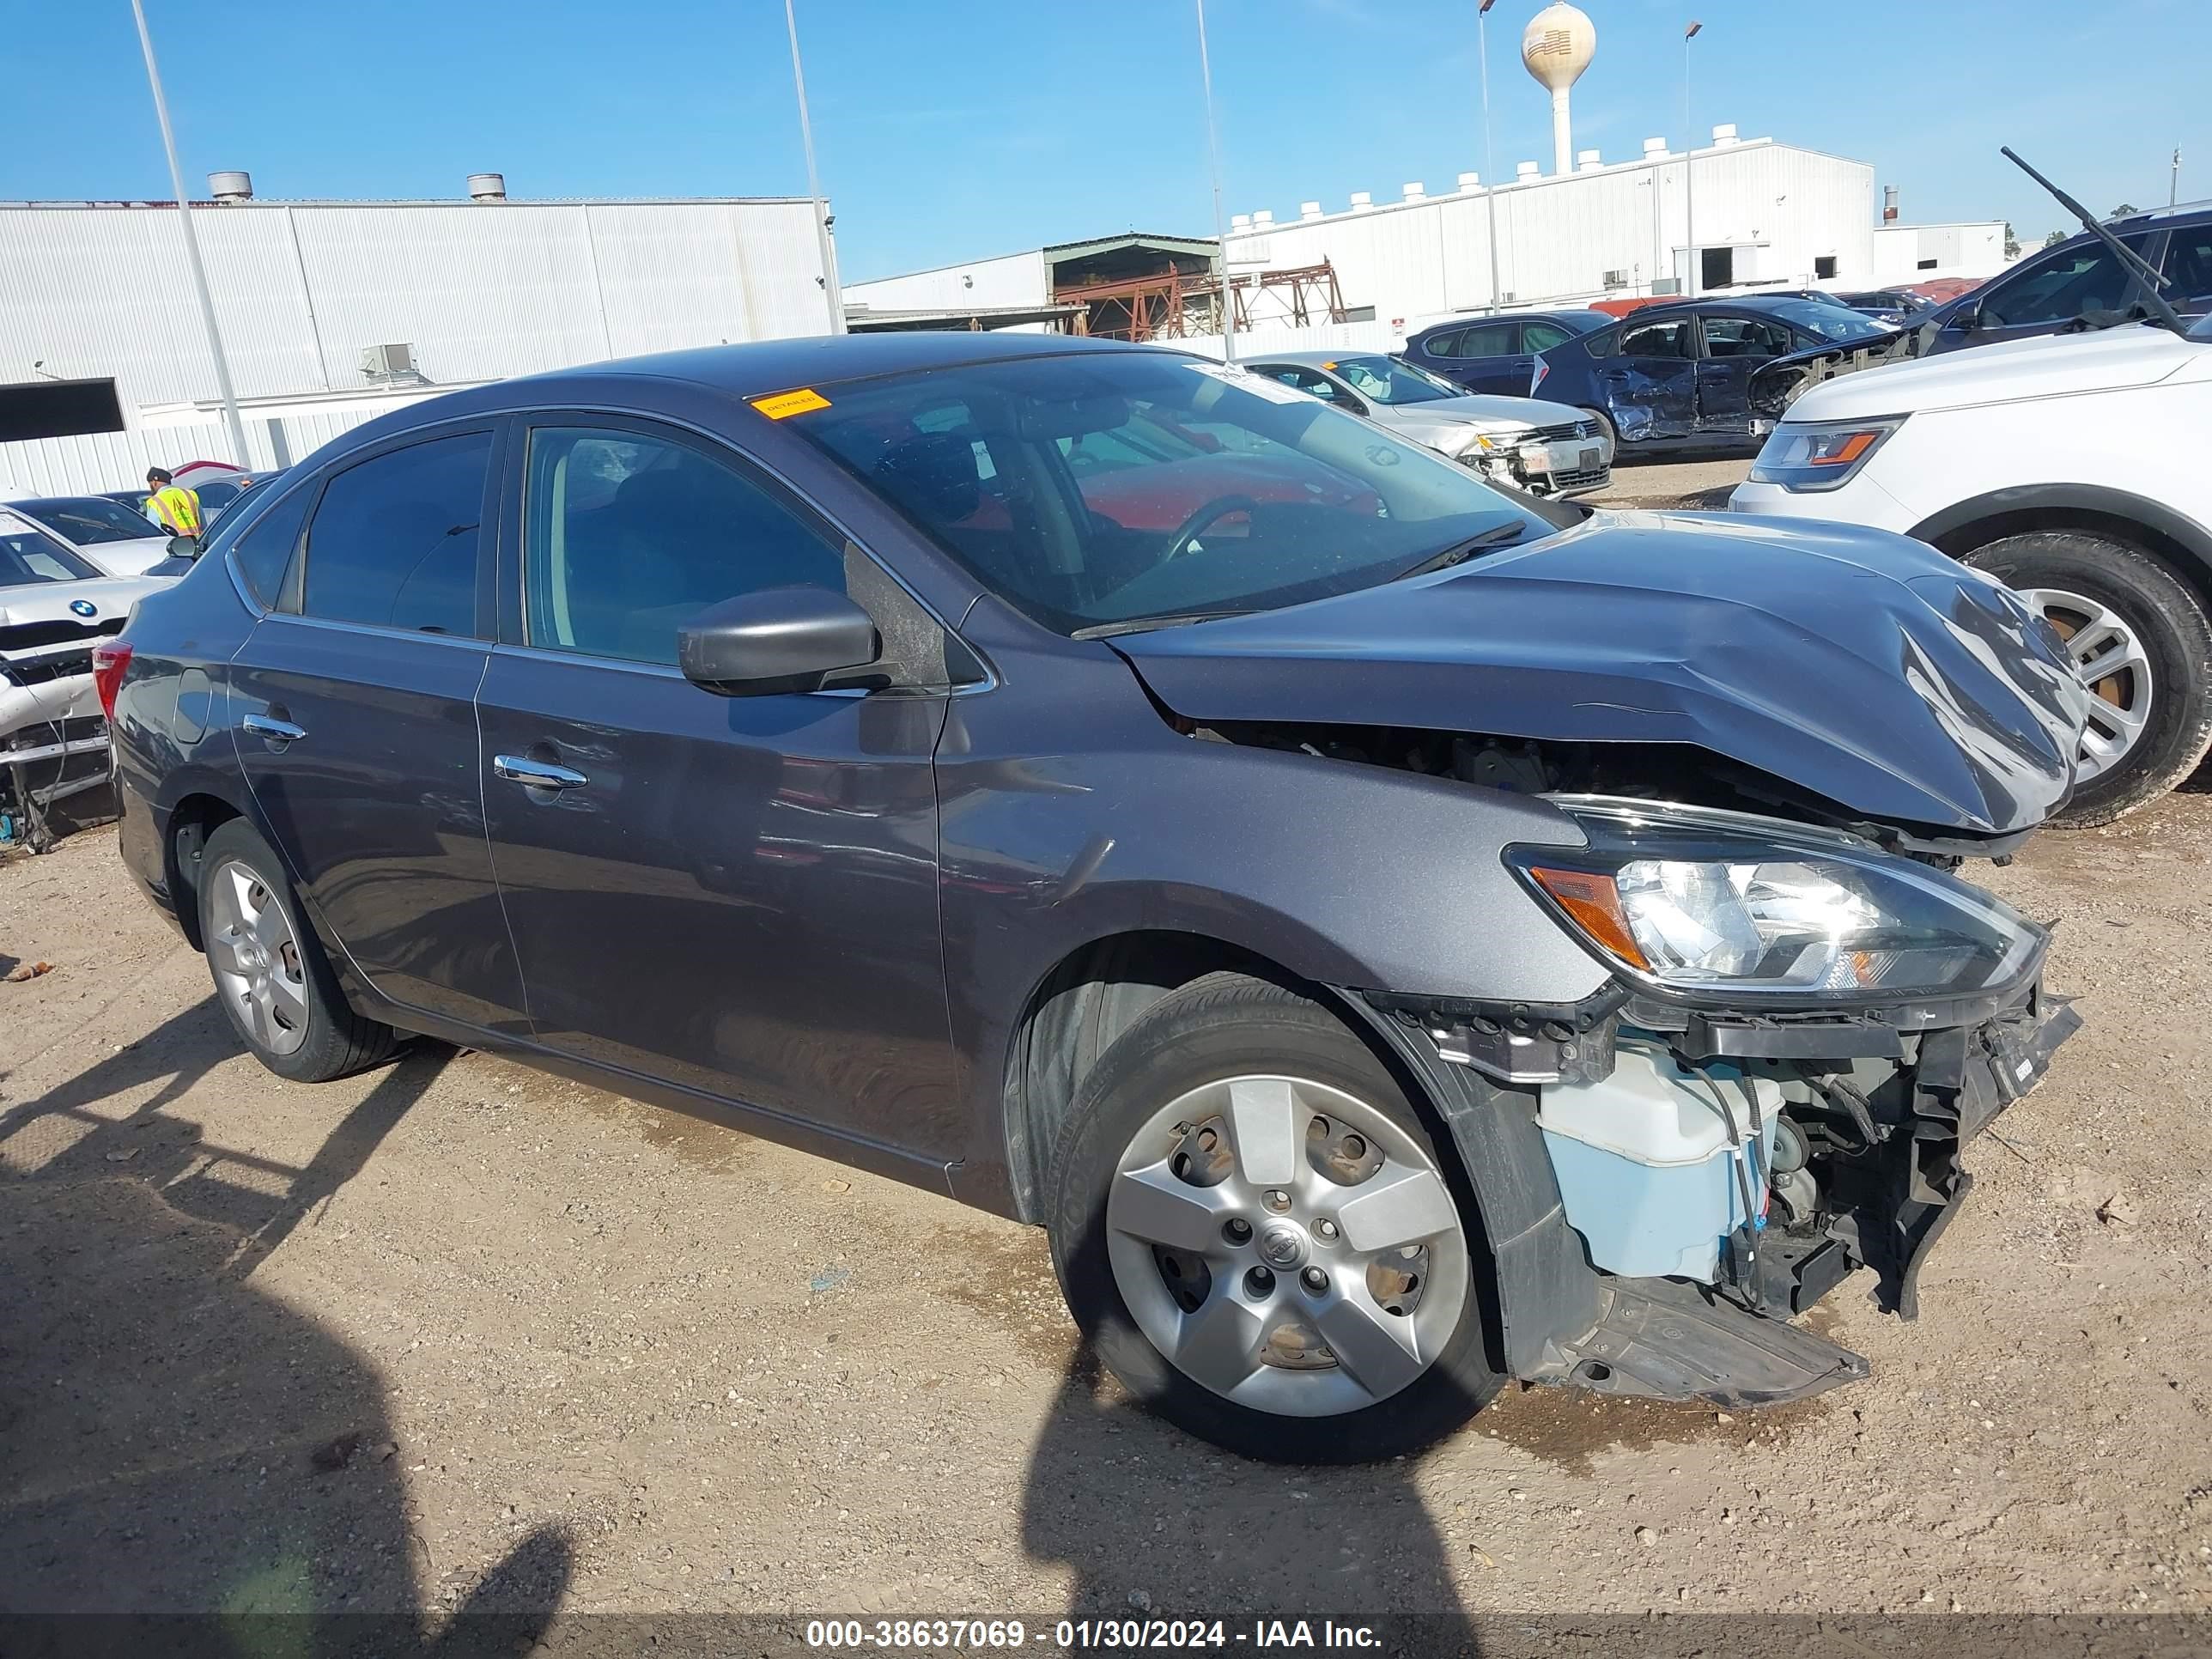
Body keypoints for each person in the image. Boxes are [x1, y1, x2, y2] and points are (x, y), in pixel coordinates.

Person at [145, 468, 204, 544]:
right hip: (198, 543)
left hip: (175, 547)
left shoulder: (155, 501)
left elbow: (154, 534)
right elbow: (203, 524)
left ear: (154, 482)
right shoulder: (190, 494)